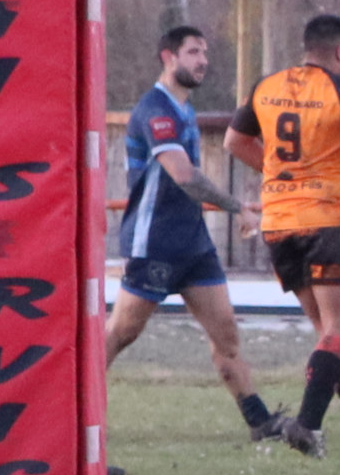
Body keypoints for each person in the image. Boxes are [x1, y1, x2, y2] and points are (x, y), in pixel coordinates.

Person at [225, 14, 340, 459]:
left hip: (279, 224)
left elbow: (234, 141)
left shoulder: (266, 86)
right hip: (328, 221)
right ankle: (306, 425)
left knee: (332, 337)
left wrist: (281, 173)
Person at [107, 27, 287, 444]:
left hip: (193, 243)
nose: (203, 60)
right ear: (168, 57)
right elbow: (184, 176)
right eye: (193, 52)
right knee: (121, 333)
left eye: (204, 52)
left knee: (226, 334)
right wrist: (237, 207)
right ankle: (71, 414)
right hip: (154, 242)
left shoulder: (184, 109)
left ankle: (260, 423)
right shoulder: (155, 109)